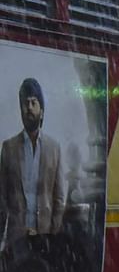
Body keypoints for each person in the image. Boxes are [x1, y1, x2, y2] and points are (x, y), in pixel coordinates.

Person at [1, 78, 64, 248]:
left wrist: (53, 235)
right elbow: (2, 197)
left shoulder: (54, 148)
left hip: (45, 239)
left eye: (33, 103)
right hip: (16, 240)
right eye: (25, 103)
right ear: (20, 110)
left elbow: (59, 198)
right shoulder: (8, 148)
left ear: (41, 111)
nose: (29, 108)